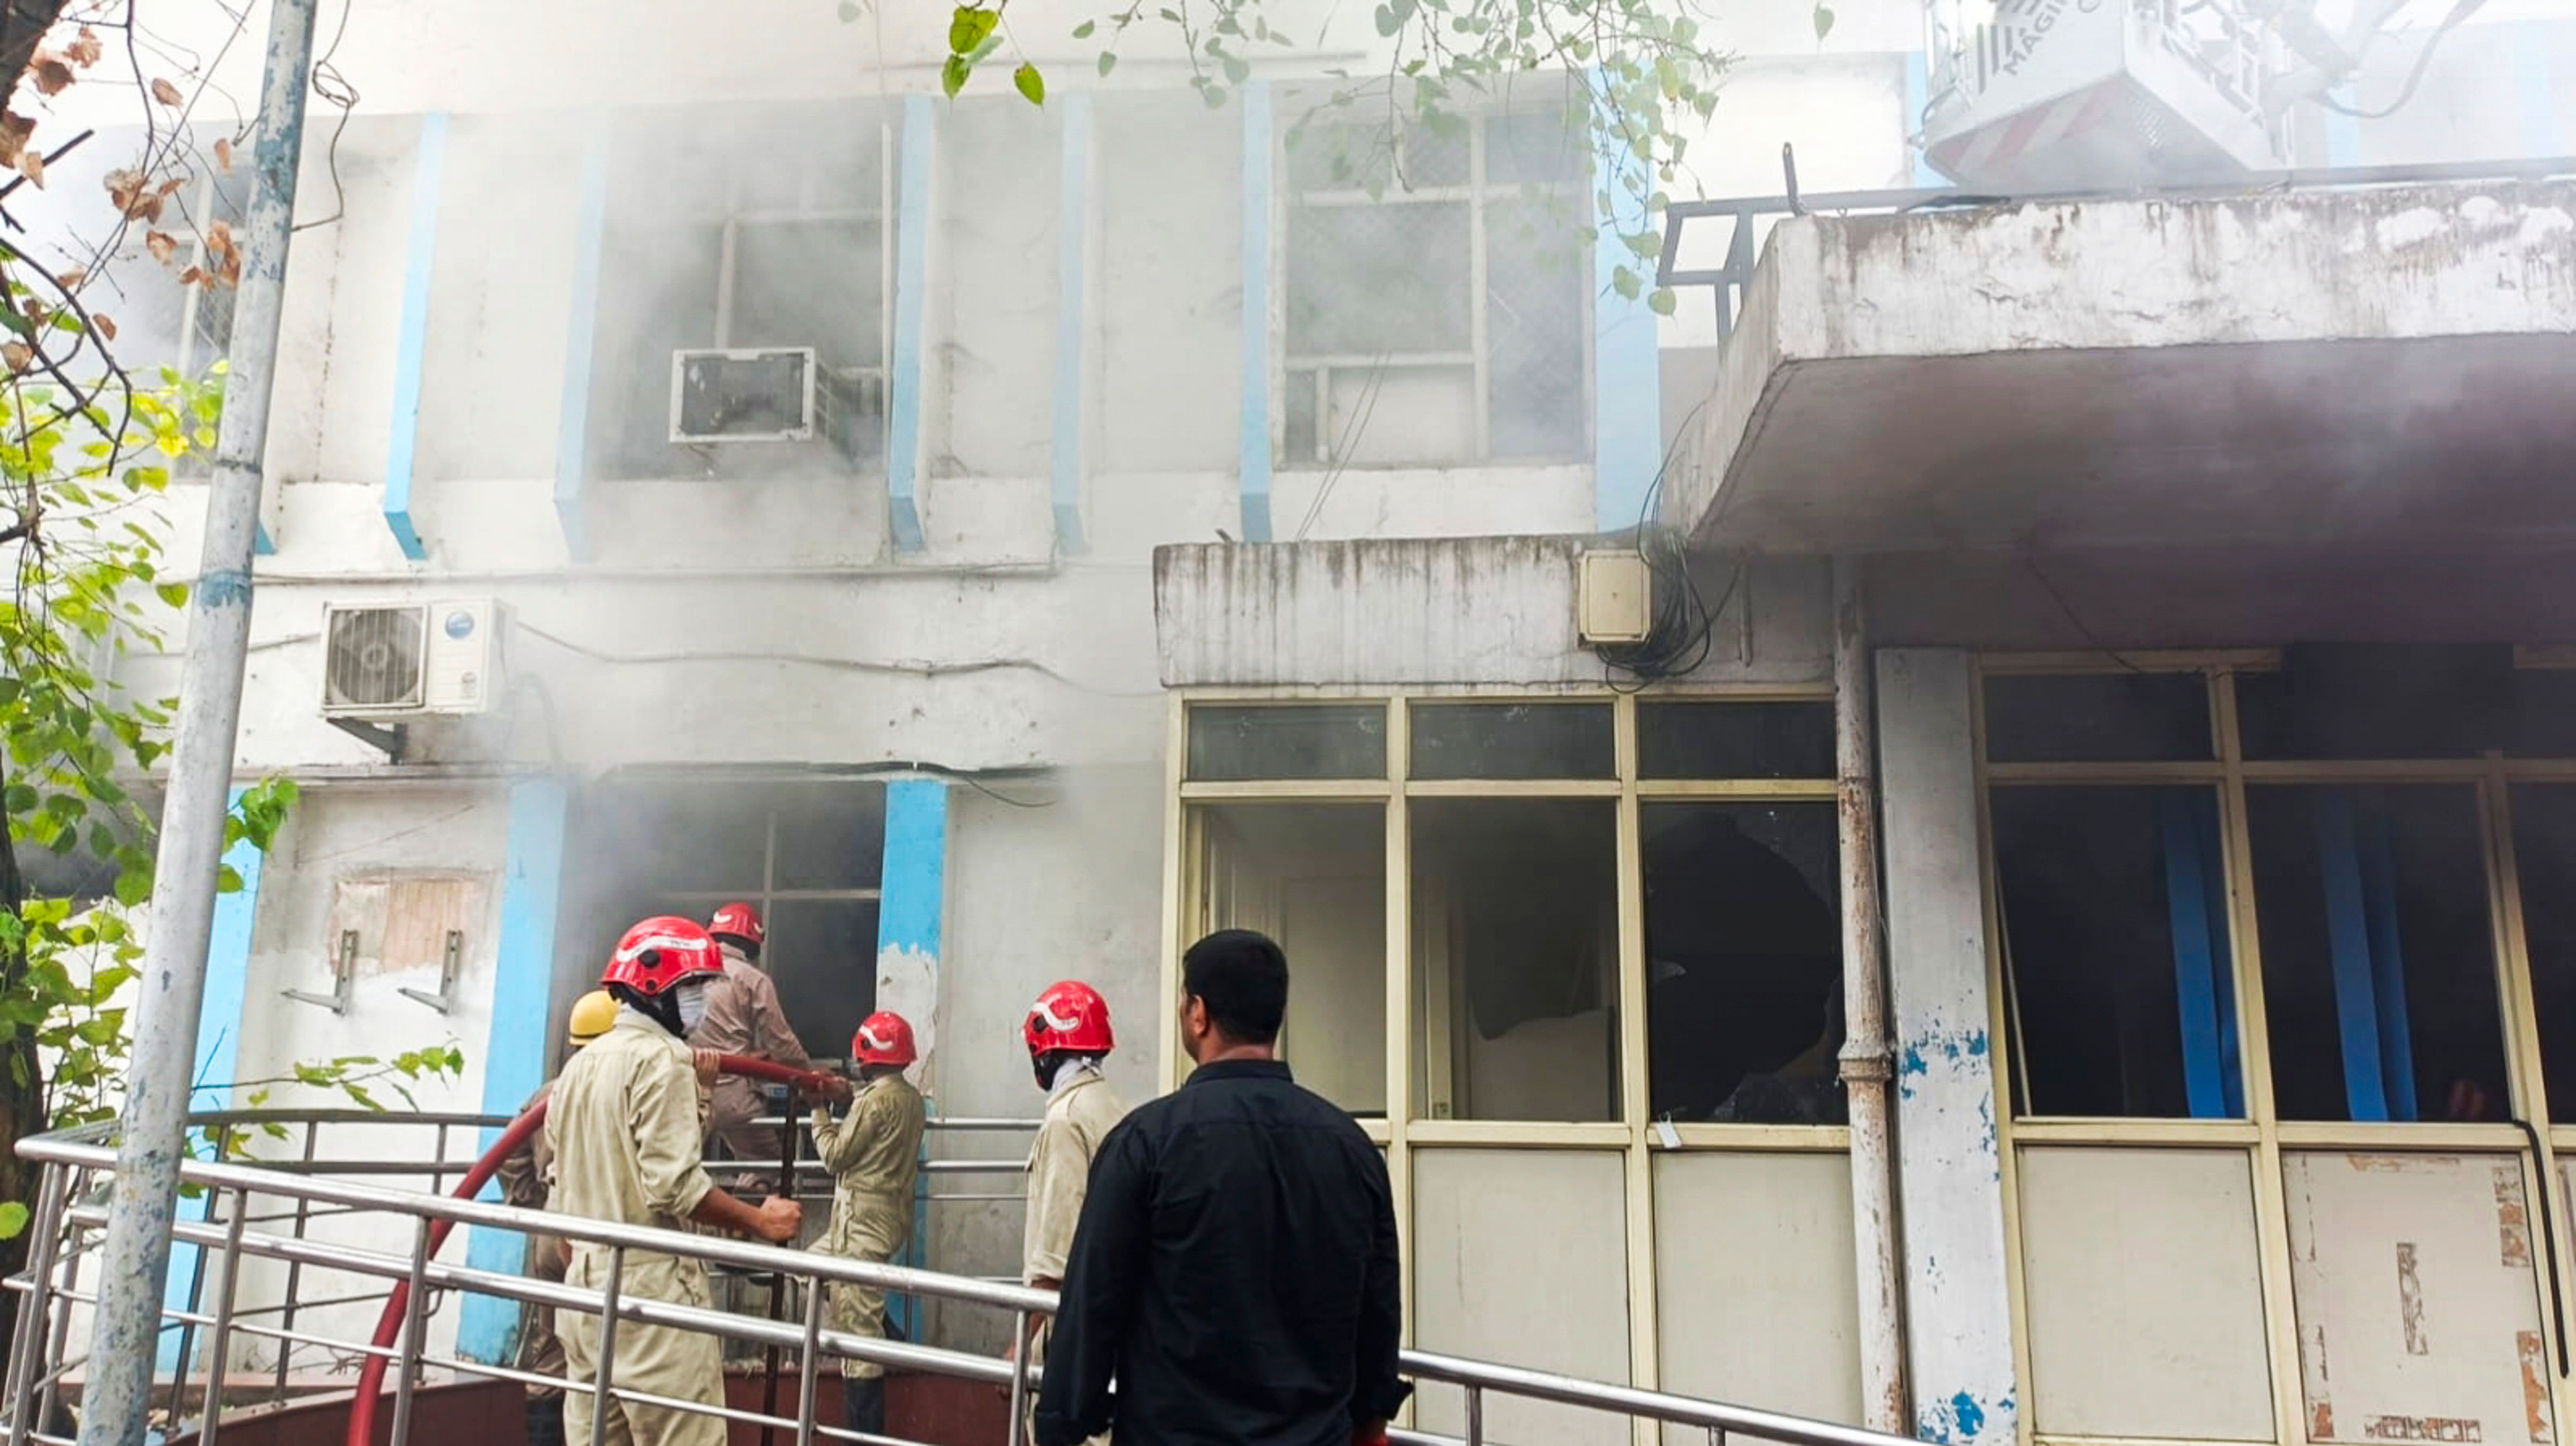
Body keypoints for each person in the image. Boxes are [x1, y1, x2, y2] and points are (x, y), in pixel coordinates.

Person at [1035, 930, 1407, 1446]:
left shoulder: (1145, 1145)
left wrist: (1062, 1422)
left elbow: (1093, 1304)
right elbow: (1379, 1307)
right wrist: (1370, 1421)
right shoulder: (1353, 1150)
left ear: (1198, 1013)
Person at [550, 915, 813, 1446]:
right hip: (649, 1292)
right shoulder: (664, 1059)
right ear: (657, 990)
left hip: (581, 1288)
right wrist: (759, 1219)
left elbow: (569, 1180)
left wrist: (700, 1094)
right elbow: (674, 1187)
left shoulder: (581, 1066)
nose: (704, 1003)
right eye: (695, 989)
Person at [495, 989, 621, 1446]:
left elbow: (508, 1153)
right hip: (597, 1229)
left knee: (550, 1354)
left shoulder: (548, 1094)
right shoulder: (614, 1088)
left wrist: (530, 1200)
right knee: (615, 1345)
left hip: (553, 1224)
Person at [1011, 982, 1128, 1443]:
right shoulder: (1116, 1107)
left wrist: (1019, 1346)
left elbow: (1054, 1259)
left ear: (1044, 1051)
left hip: (1070, 1336)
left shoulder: (1065, 1123)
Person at [810, 1010, 927, 1442]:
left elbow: (836, 1156)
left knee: (859, 1345)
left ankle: (864, 1435)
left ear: (866, 1054)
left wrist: (819, 1110)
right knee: (813, 1269)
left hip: (859, 1221)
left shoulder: (872, 1101)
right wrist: (848, 1096)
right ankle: (892, 1343)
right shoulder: (909, 1099)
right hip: (887, 1217)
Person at [691, 901, 817, 1192]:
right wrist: (811, 1078)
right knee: (765, 1163)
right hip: (731, 1094)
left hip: (684, 1090)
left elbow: (705, 1035)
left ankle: (691, 1232)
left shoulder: (690, 972)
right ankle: (739, 1224)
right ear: (752, 945)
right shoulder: (751, 978)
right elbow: (782, 1043)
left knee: (678, 1166)